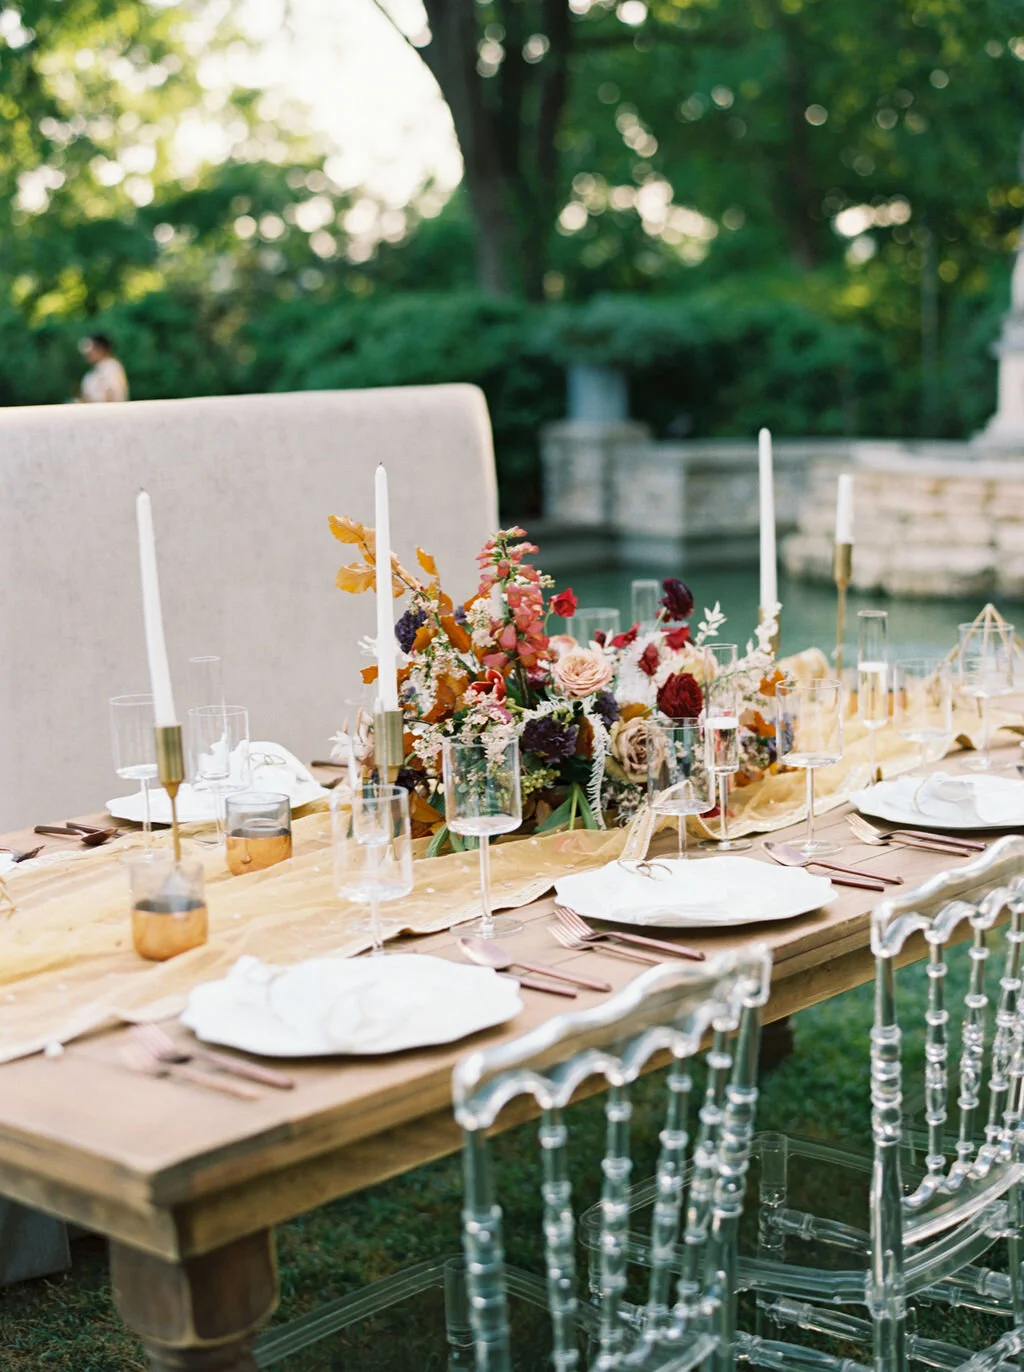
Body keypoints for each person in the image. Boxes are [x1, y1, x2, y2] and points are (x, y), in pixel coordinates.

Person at [79, 333, 129, 403]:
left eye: (92, 349)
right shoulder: (93, 372)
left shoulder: (111, 367)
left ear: (101, 348)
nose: (88, 353)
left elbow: (112, 394)